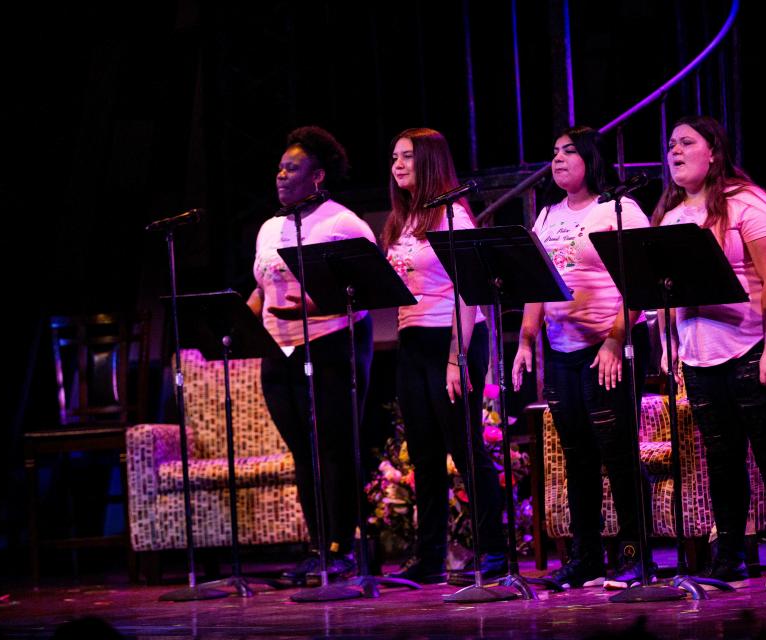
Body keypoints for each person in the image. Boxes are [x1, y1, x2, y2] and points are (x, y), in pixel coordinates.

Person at [653, 115, 766, 590]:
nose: (675, 151)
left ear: (714, 152)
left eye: (687, 142)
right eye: (671, 145)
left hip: (750, 347)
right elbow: (663, 287)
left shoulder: (748, 203)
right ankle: (731, 559)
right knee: (720, 459)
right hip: (700, 356)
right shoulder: (671, 214)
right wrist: (669, 343)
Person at [512, 125, 655, 590]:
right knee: (577, 455)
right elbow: (536, 281)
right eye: (553, 152)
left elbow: (641, 279)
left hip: (608, 348)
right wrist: (526, 341)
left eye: (569, 152)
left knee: (616, 452)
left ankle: (635, 554)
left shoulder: (619, 210)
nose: (557, 160)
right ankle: (586, 556)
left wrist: (616, 339)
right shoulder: (547, 215)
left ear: (591, 159)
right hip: (561, 350)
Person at [247, 126, 376, 583]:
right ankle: (317, 546)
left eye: (292, 168)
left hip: (332, 342)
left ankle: (344, 546)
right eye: (279, 168)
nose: (281, 176)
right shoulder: (269, 228)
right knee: (304, 451)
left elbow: (369, 286)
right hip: (279, 347)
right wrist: (242, 315)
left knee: (334, 448)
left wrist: (316, 305)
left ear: (317, 177)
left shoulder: (342, 222)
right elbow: (263, 286)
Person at [382, 127, 507, 585]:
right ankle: (429, 555)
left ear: (430, 161)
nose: (397, 165)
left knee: (465, 447)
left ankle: (494, 551)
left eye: (408, 157)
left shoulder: (452, 215)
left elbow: (470, 292)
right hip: (412, 342)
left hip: (452, 340)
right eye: (394, 157)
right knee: (425, 453)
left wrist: (456, 357)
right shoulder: (402, 219)